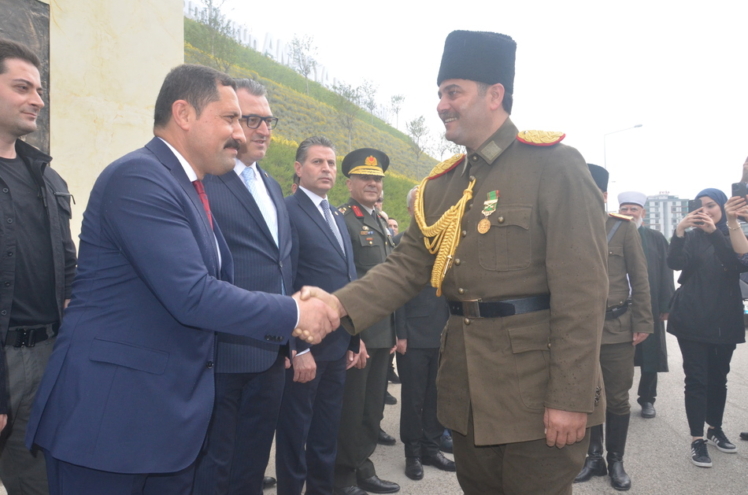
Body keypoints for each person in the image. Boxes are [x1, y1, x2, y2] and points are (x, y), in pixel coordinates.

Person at [307, 30, 608, 495]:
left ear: (494, 95)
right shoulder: (441, 186)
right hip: (466, 392)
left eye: (453, 92)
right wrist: (333, 307)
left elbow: (582, 293)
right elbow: (405, 267)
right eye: (440, 93)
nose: (442, 105)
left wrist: (571, 398)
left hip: (536, 392)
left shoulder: (555, 166)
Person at [24, 64, 337, 495]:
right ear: (184, 114)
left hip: (163, 427)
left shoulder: (190, 187)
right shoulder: (140, 177)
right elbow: (193, 294)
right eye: (229, 119)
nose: (241, 135)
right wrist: (296, 313)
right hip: (112, 427)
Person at [194, 78, 291, 495]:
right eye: (250, 119)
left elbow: (282, 266)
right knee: (214, 467)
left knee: (252, 464)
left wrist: (292, 342)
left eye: (267, 120)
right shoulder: (206, 182)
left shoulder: (270, 185)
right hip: (222, 355)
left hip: (270, 354)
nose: (263, 130)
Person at [0, 37, 77, 495]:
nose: (38, 101)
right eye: (23, 87)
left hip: (45, 355)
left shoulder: (47, 177)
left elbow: (69, 267)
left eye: (41, 90)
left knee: (42, 485)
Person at [276, 136, 364, 495]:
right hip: (307, 347)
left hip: (338, 344)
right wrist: (297, 348)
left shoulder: (336, 215)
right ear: (298, 169)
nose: (326, 169)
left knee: (327, 433)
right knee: (296, 435)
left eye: (330, 163)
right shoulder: (288, 211)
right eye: (317, 162)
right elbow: (287, 281)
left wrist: (354, 337)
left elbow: (348, 278)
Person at [575, 166, 652, 491]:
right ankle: (593, 457)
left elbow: (640, 276)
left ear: (604, 195)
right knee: (587, 396)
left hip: (618, 327)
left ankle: (616, 459)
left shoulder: (622, 229)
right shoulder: (568, 227)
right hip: (579, 329)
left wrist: (643, 321)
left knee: (617, 399)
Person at [334, 148, 399, 495]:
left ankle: (363, 466)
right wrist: (351, 337)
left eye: (377, 179)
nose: (373, 183)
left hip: (381, 333)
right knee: (351, 411)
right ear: (350, 182)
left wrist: (392, 333)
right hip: (357, 332)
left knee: (372, 410)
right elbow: (343, 281)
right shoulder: (343, 219)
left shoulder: (379, 221)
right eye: (366, 178)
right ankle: (342, 478)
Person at [667, 188, 746, 468]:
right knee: (697, 379)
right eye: (700, 206)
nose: (706, 211)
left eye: (711, 205)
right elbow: (675, 263)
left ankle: (715, 428)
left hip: (725, 319)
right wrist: (678, 231)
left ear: (723, 207)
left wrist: (715, 232)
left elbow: (736, 265)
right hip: (691, 317)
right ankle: (696, 438)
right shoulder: (690, 237)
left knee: (719, 377)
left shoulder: (732, 234)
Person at [394, 186, 455, 481]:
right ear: (410, 210)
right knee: (414, 397)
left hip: (442, 333)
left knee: (435, 396)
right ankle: (413, 453)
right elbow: (396, 294)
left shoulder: (447, 241)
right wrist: (400, 333)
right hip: (414, 336)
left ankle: (431, 448)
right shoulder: (401, 242)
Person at [618, 191, 675, 419]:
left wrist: (666, 304)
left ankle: (647, 399)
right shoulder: (610, 234)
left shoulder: (656, 238)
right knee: (617, 354)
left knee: (650, 356)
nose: (630, 213)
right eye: (625, 209)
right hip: (618, 307)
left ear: (643, 212)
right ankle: (616, 400)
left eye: (634, 209)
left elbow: (666, 272)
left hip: (649, 306)